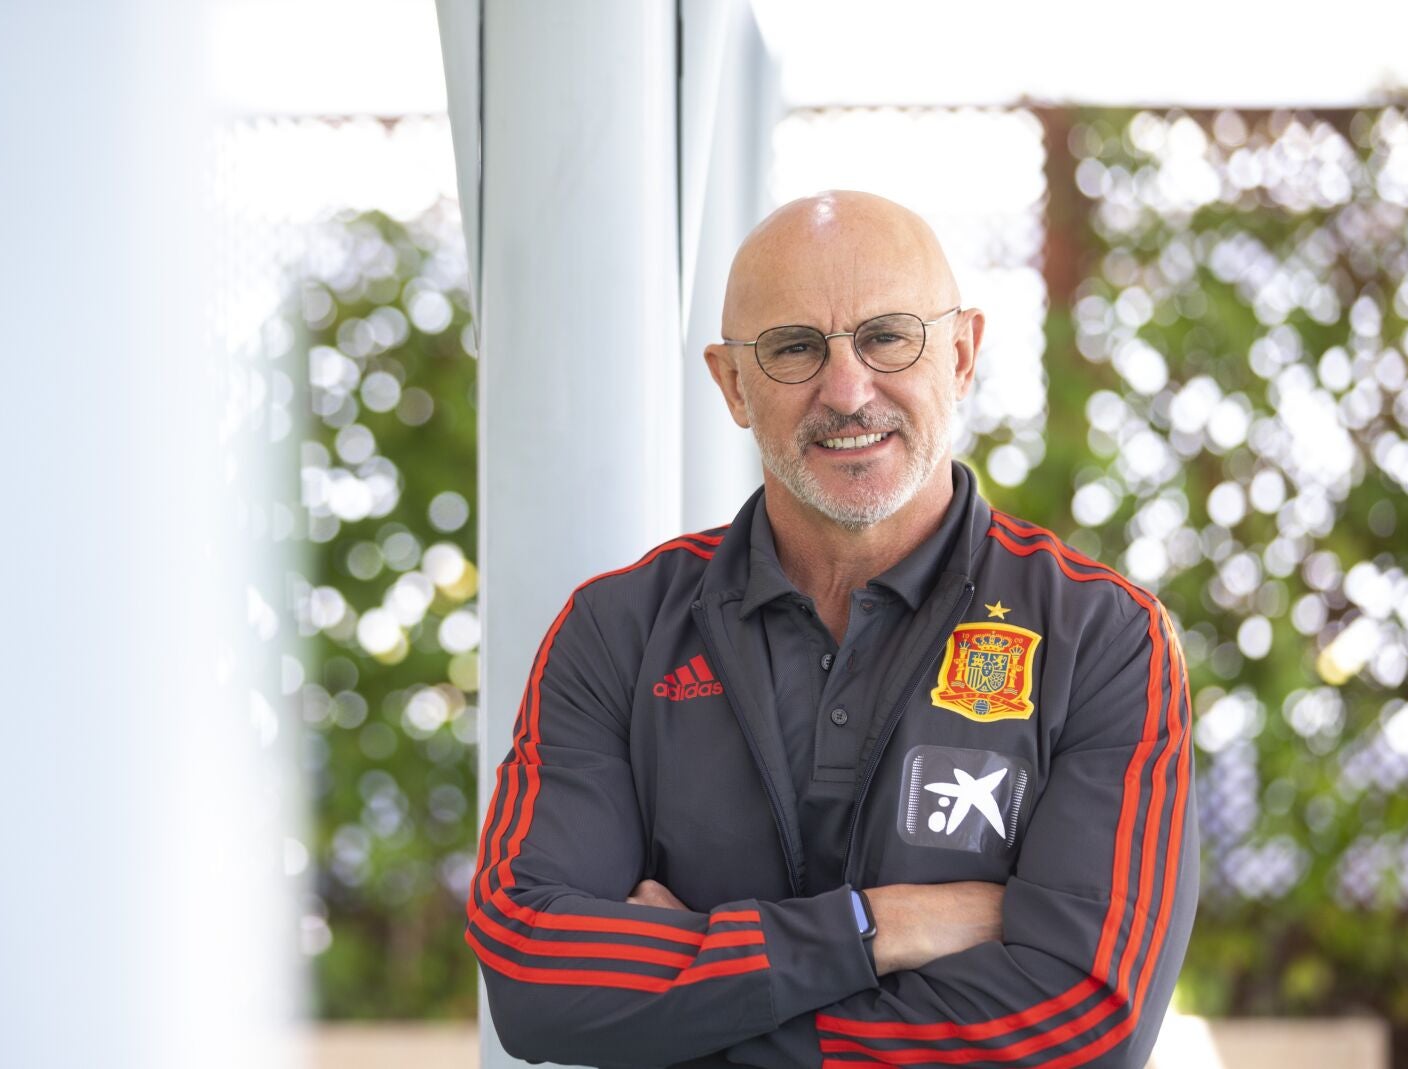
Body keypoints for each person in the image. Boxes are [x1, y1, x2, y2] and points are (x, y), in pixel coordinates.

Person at [466, 191, 1197, 1069]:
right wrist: (881, 925)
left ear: (961, 355)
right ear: (733, 385)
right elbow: (534, 970)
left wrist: (692, 1008)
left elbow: (1087, 1020)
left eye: (888, 337)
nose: (848, 392)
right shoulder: (617, 629)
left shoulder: (1102, 638)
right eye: (794, 348)